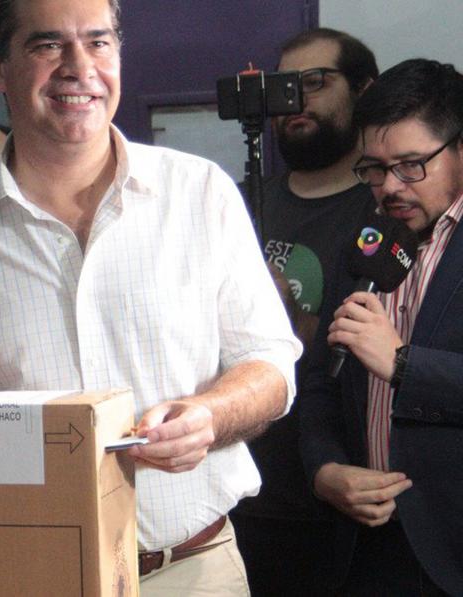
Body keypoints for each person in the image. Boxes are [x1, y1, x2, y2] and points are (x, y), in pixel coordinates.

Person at [0, 0, 302, 593]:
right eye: (48, 45)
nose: (79, 66)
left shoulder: (200, 194)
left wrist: (211, 415)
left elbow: (271, 363)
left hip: (191, 570)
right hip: (21, 576)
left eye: (98, 42)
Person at [299, 58, 463, 597]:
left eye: (411, 165)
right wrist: (325, 470)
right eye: (374, 168)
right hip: (364, 547)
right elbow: (320, 380)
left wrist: (401, 363)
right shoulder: (366, 239)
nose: (389, 186)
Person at [229, 28, 378, 596]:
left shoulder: (386, 208)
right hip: (240, 491)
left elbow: (384, 354)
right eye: (283, 86)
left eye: (315, 82)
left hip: (334, 500)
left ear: (364, 91)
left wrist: (289, 315)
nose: (295, 100)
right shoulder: (238, 203)